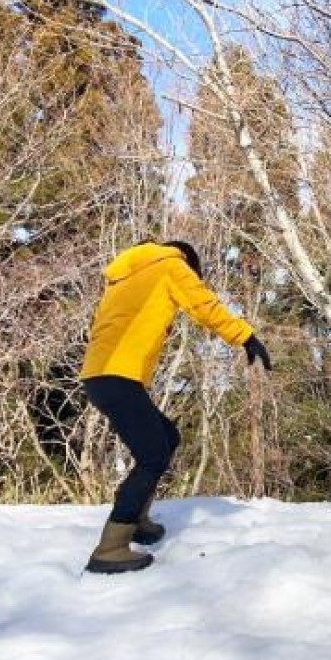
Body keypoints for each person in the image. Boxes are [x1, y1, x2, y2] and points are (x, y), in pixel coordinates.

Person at [80, 241, 272, 574]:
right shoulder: (170, 266)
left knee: (166, 437)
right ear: (189, 263)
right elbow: (204, 304)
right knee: (153, 454)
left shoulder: (125, 277)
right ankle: (110, 548)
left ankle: (137, 519)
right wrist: (245, 336)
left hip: (100, 375)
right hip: (118, 375)